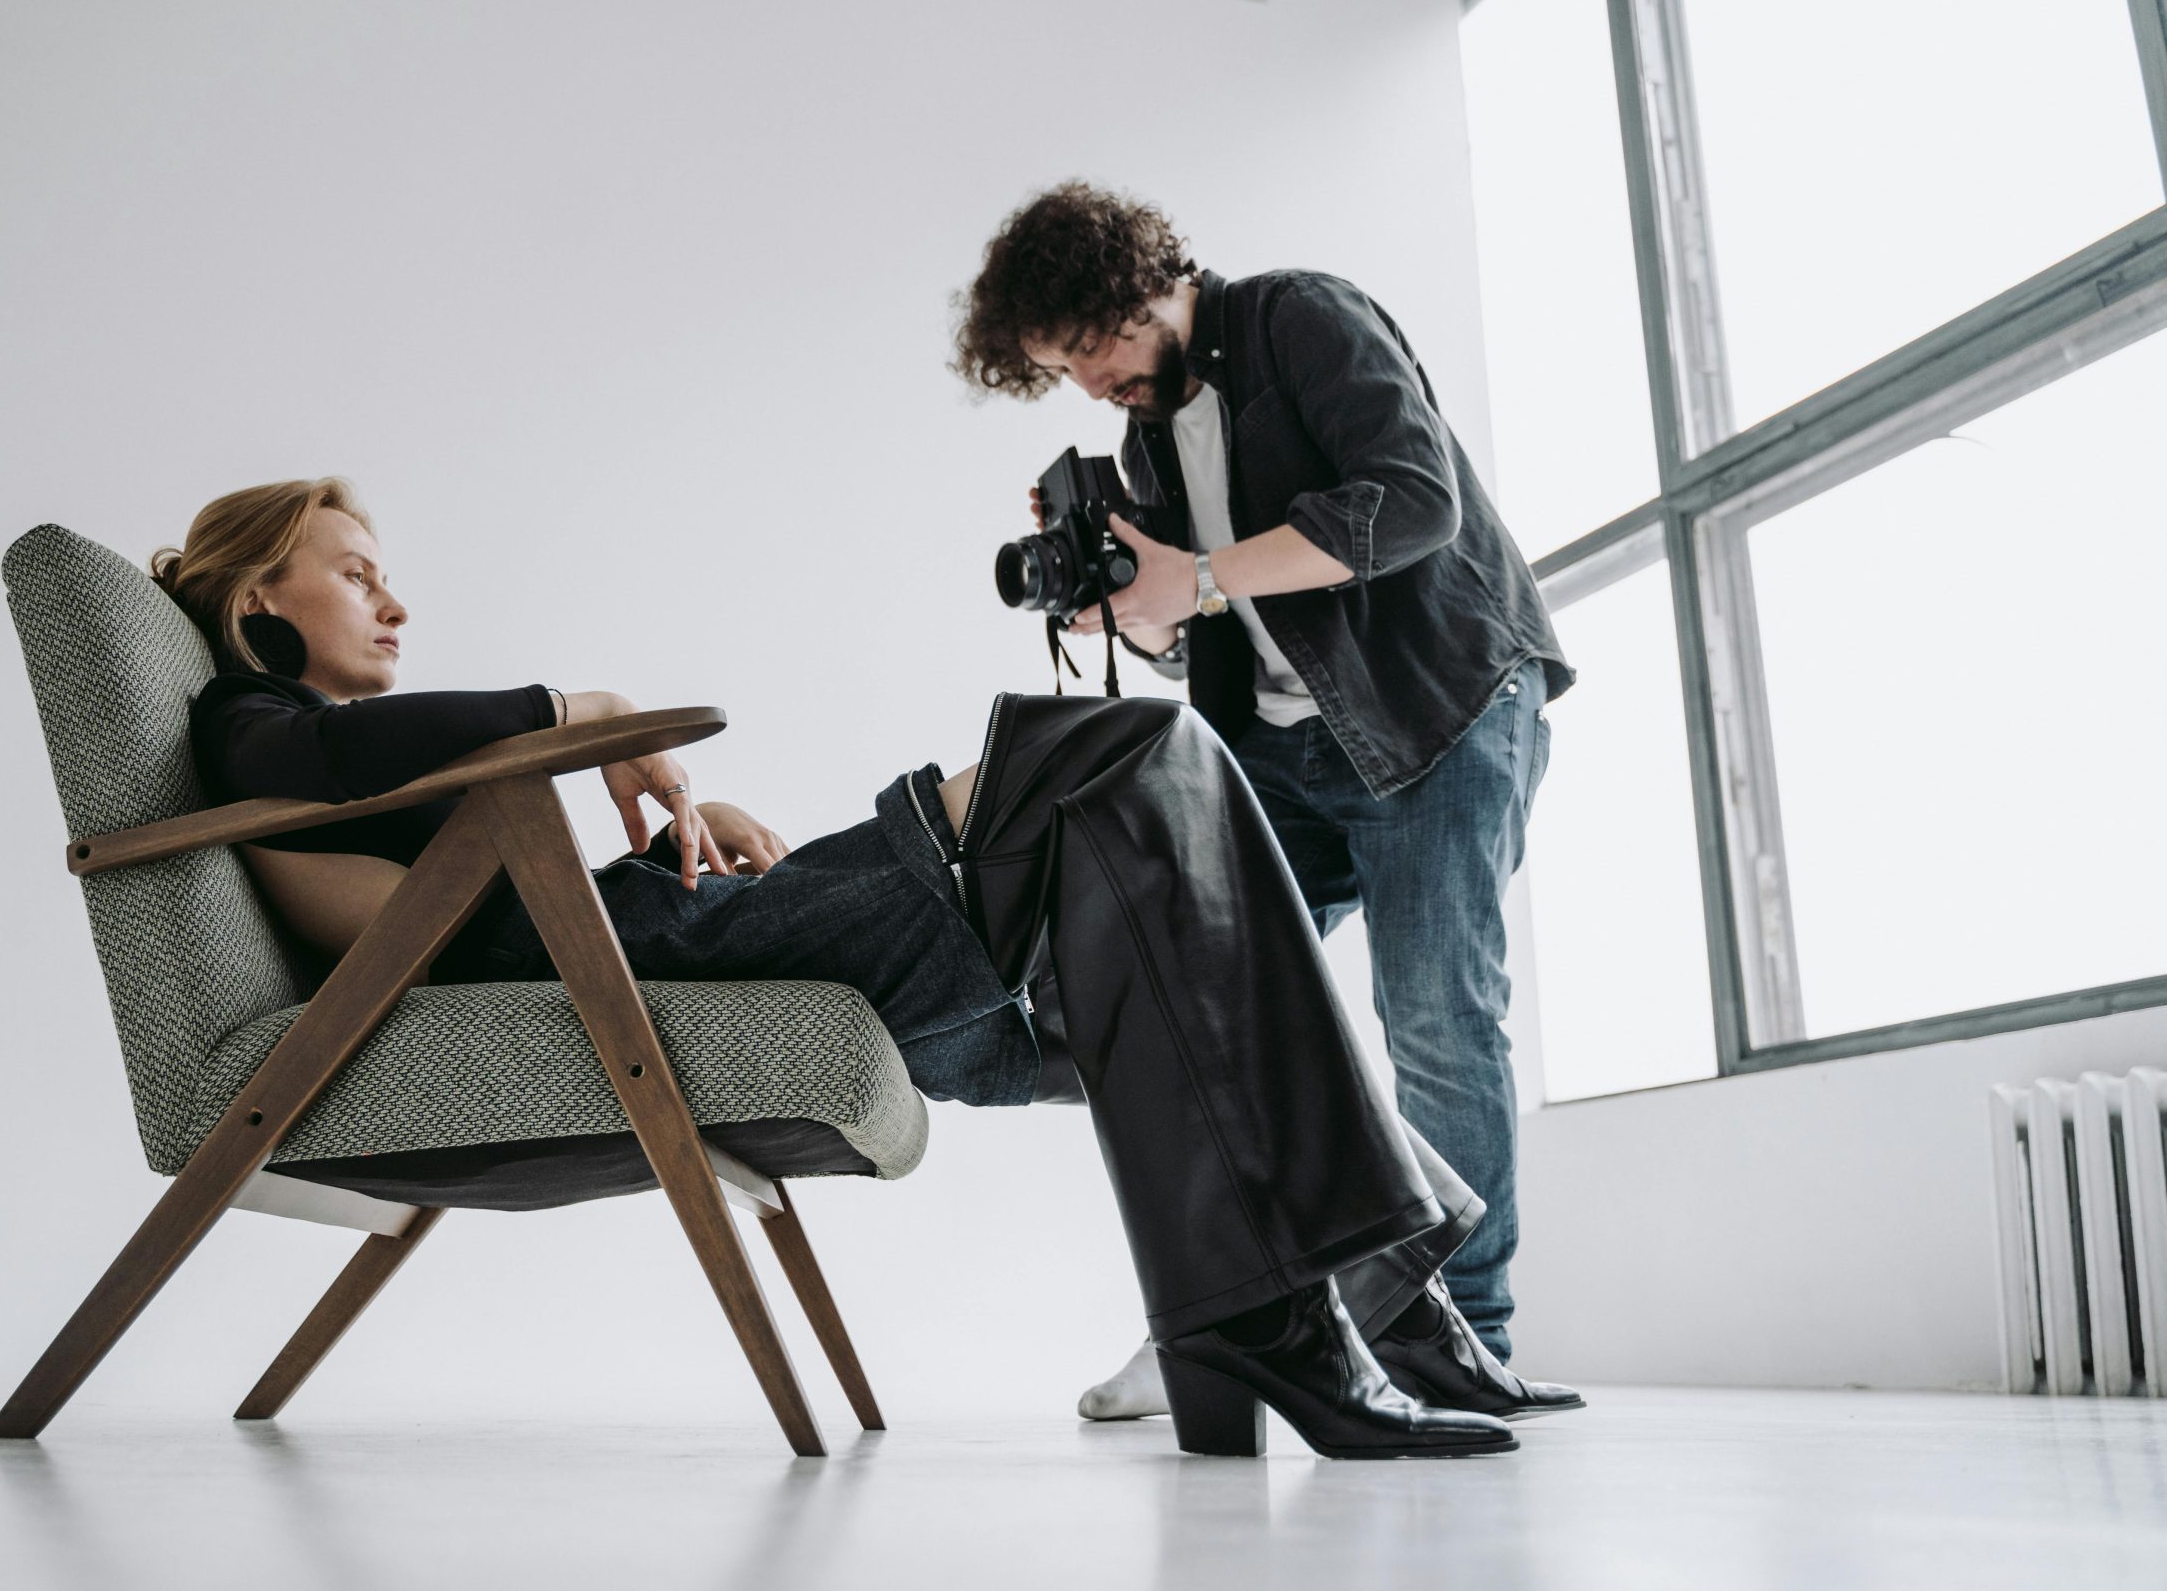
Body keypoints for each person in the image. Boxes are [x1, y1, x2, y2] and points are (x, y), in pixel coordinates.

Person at [150, 477, 1578, 1458]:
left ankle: (1272, 1325)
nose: (392, 602)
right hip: (642, 966)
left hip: (653, 932)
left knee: (1147, 964)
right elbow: (340, 767)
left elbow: (436, 839)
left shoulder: (311, 747)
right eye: (354, 572)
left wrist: (680, 823)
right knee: (1129, 752)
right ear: (259, 592)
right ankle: (1357, 1301)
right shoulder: (247, 726)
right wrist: (578, 711)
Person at [953, 183, 1574, 1414]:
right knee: (1200, 1022)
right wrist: (1135, 602)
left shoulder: (1302, 322)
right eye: (1059, 371)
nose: (1089, 382)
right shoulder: (1141, 447)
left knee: (1435, 1019)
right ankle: (1232, 1316)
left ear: (1138, 287)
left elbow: (1413, 500)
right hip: (1281, 755)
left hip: (1431, 713)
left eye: (1092, 347)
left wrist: (1199, 575)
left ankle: (1461, 1334)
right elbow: (1216, 632)